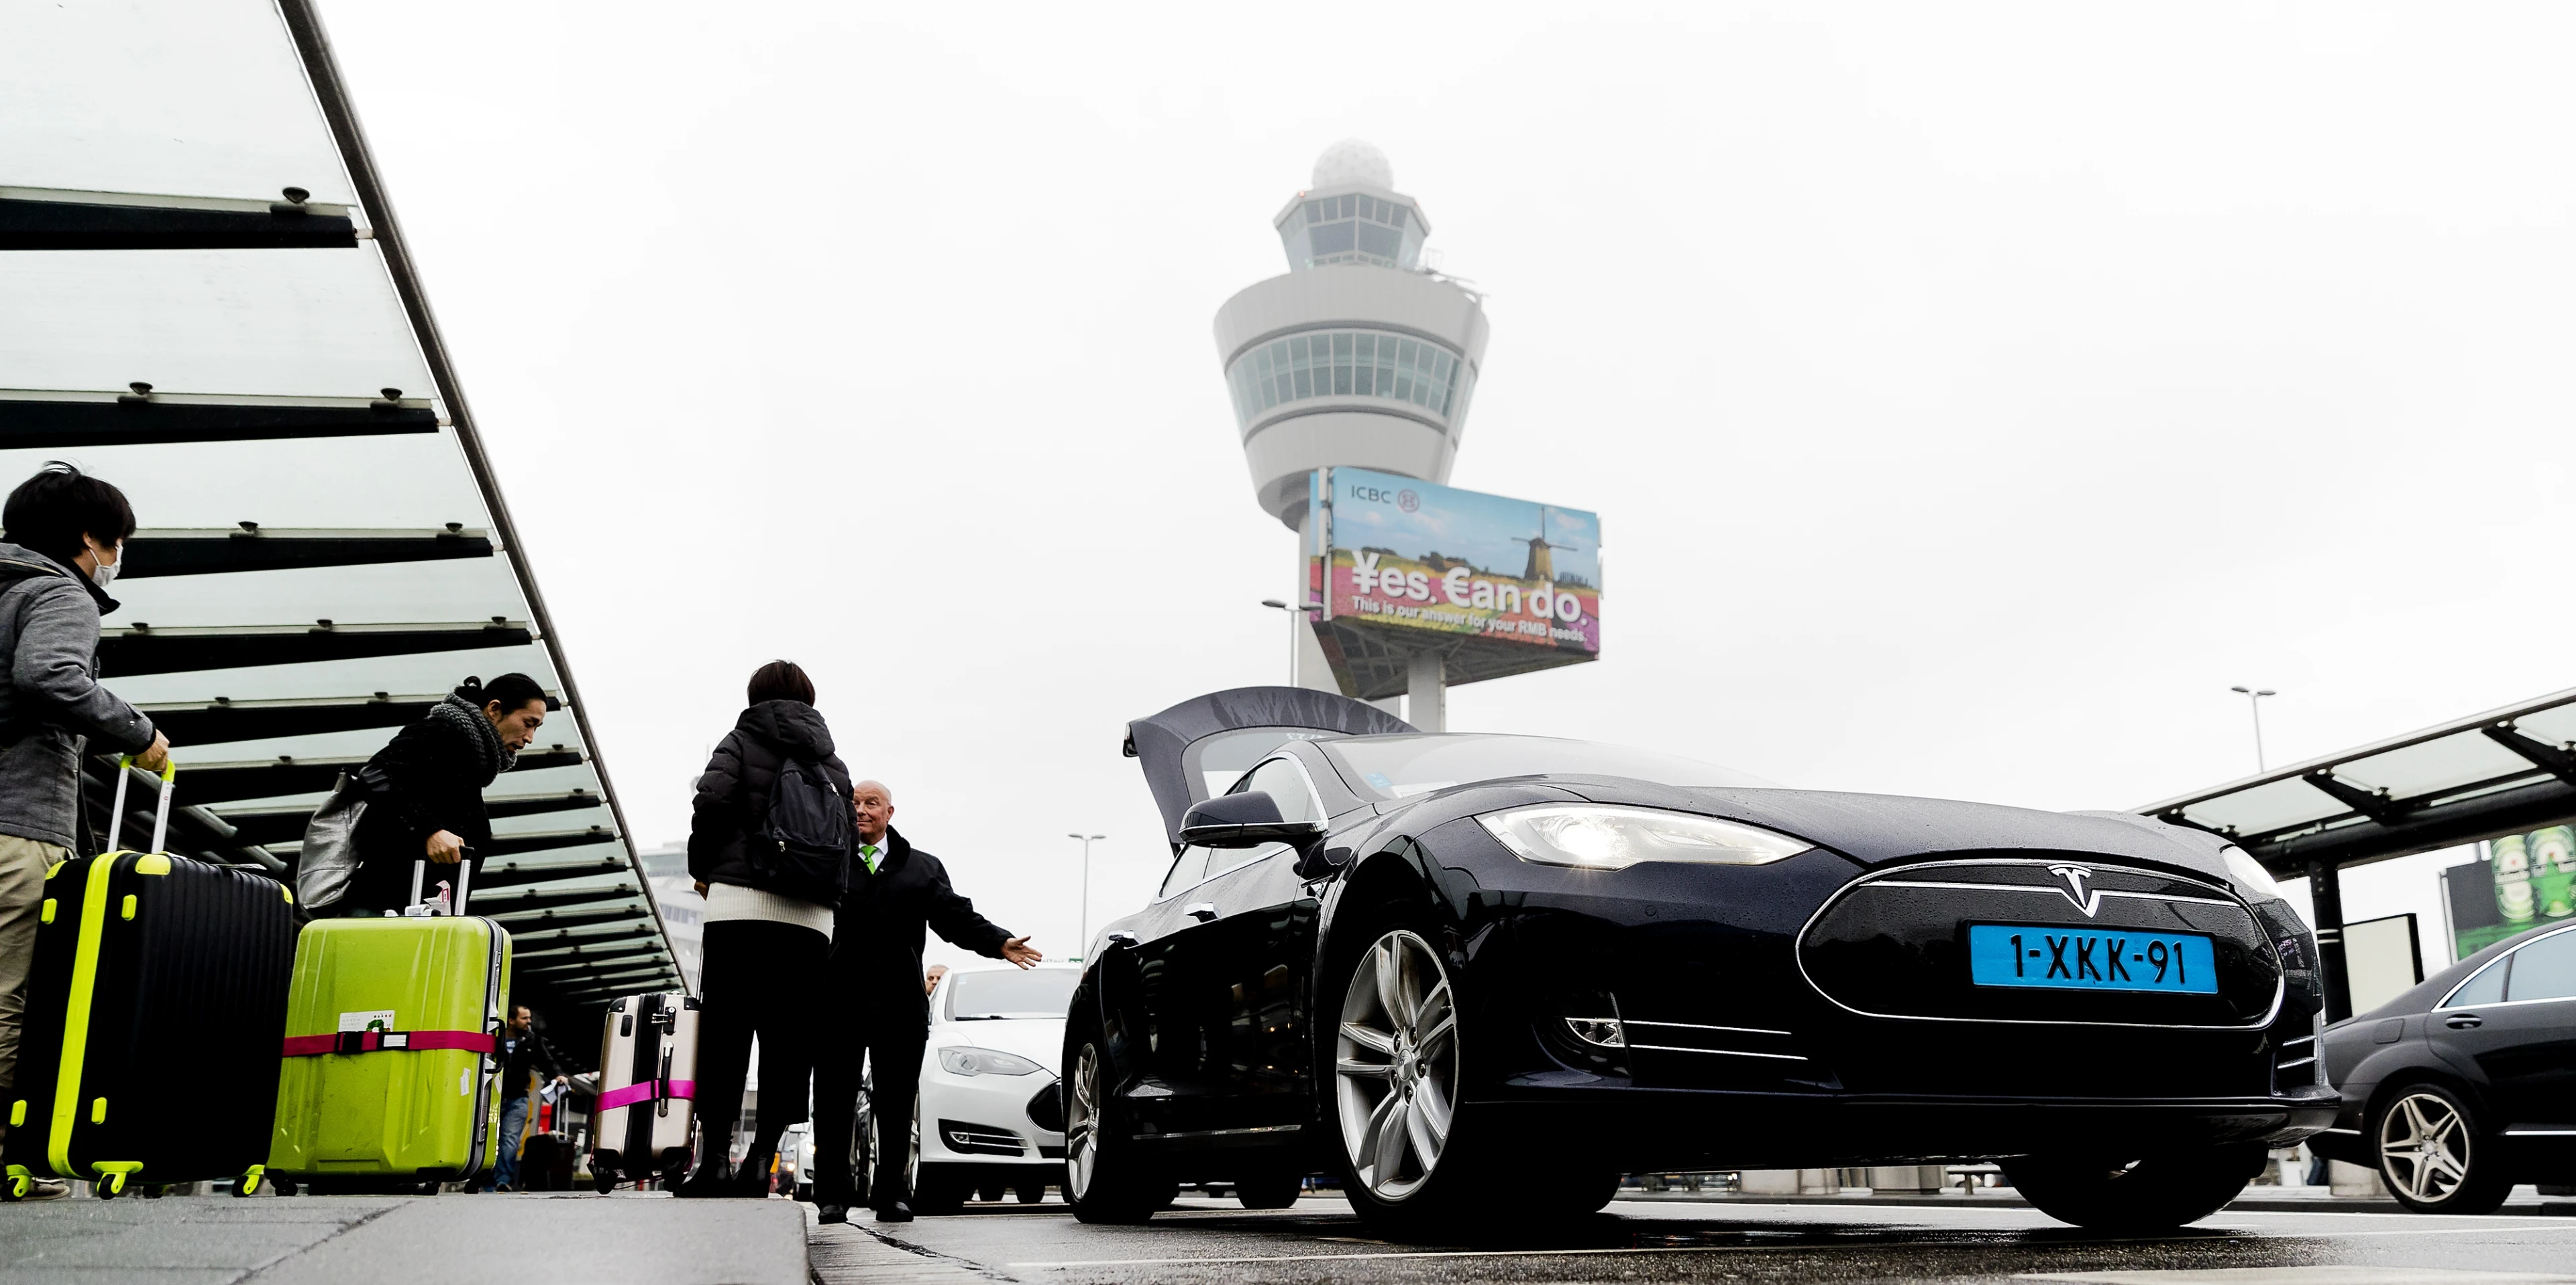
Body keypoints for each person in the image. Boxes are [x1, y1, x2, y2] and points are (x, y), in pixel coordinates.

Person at [0, 464, 168, 1202]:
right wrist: (139, 732)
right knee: (8, 993)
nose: (117, 556)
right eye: (116, 541)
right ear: (88, 539)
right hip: (17, 822)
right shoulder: (59, 591)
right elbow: (49, 674)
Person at [811, 780, 1040, 1224]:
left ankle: (893, 1195)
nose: (861, 810)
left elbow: (956, 917)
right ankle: (832, 1196)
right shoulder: (828, 861)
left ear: (889, 812)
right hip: (839, 1003)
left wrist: (999, 942)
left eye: (872, 803)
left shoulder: (920, 867)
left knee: (896, 1104)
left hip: (900, 1006)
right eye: (854, 803)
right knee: (833, 1102)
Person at [683, 660, 852, 1197]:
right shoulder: (832, 762)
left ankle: (714, 1162)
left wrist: (704, 868)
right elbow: (845, 839)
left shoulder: (739, 740)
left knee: (725, 1035)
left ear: (756, 695)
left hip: (739, 908)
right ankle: (762, 1162)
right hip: (809, 921)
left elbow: (711, 800)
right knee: (788, 1042)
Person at [339, 673, 549, 915]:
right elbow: (377, 775)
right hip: (386, 909)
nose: (530, 738)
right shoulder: (442, 732)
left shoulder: (470, 758)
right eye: (528, 723)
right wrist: (430, 831)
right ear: (494, 710)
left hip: (412, 911)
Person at [480, 1004, 570, 1192]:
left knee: (510, 1139)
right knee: (486, 1138)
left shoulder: (532, 1041)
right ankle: (485, 1179)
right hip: (491, 1097)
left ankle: (502, 1180)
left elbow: (547, 1061)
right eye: (524, 1018)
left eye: (530, 1018)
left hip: (518, 1098)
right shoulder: (495, 1037)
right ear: (511, 1020)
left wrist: (557, 1075)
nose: (529, 1022)